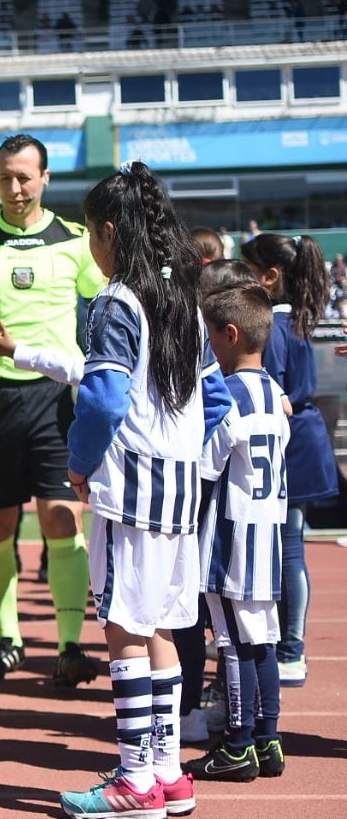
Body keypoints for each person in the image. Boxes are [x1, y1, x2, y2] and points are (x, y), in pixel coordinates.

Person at [59, 161, 230, 819]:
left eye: (88, 232)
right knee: (158, 626)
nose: (89, 245)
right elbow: (212, 397)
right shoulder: (183, 296)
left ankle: (135, 780)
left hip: (132, 489)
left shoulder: (117, 301)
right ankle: (166, 773)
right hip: (179, 490)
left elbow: (101, 401)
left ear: (107, 230)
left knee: (125, 631)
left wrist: (80, 462)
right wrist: (183, 448)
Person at [0, 134, 106, 687]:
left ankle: (69, 646)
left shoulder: (75, 241)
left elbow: (108, 304)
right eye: (4, 178)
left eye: (24, 177)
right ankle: (8, 639)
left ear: (44, 179)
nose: (14, 188)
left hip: (56, 399)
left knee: (62, 519)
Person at [182, 281, 287, 783]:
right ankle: (268, 739)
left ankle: (238, 745)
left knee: (232, 643)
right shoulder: (273, 391)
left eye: (209, 339)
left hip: (229, 534)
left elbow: (207, 466)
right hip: (268, 531)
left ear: (229, 335)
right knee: (263, 638)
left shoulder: (228, 397)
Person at [240, 232, 337, 687]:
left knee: (289, 551)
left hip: (292, 446)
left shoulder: (275, 328)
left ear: (269, 276)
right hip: (297, 441)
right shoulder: (294, 320)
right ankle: (283, 645)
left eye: (245, 268)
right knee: (286, 550)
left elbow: (275, 395)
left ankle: (291, 650)